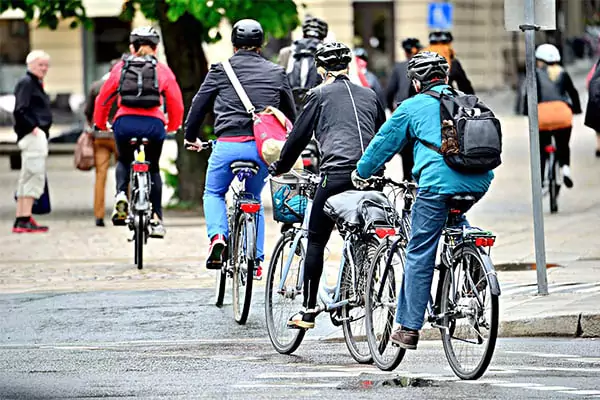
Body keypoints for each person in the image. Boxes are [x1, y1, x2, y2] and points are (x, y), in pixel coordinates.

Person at [352, 52, 493, 349]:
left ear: (416, 83)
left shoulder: (412, 106)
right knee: (454, 217)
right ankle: (471, 261)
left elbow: (382, 144)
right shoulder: (467, 100)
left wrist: (361, 173)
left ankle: (409, 328)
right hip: (479, 180)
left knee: (420, 250)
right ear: (444, 78)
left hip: (437, 185)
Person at [269, 42, 386, 329]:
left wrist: (280, 167)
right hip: (372, 176)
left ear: (321, 69)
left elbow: (297, 138)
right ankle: (364, 281)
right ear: (347, 67)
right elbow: (382, 135)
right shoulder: (369, 95)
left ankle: (308, 311)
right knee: (362, 228)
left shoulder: (318, 94)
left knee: (317, 239)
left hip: (336, 174)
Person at [184, 19, 296, 280]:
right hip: (262, 149)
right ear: (261, 45)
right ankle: (255, 261)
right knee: (253, 198)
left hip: (227, 147)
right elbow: (291, 115)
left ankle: (218, 238)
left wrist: (191, 137)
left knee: (213, 192)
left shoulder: (220, 70)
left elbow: (198, 108)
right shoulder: (276, 72)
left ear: (233, 45)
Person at [94, 27, 184, 238]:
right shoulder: (162, 70)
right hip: (153, 125)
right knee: (153, 169)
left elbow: (103, 98)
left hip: (124, 124)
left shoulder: (121, 68)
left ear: (132, 47)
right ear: (156, 47)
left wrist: (100, 123)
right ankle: (156, 219)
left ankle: (120, 195)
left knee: (125, 161)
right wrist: (172, 125)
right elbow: (176, 102)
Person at [530, 44, 581, 188]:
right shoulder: (563, 73)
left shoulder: (535, 74)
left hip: (542, 116)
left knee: (541, 148)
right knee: (563, 145)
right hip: (562, 115)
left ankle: (540, 180)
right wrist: (576, 109)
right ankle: (565, 170)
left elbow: (529, 96)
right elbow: (573, 93)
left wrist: (525, 112)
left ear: (541, 60)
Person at [12, 50, 52, 234]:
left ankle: (22, 218)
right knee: (34, 176)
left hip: (33, 134)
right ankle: (24, 218)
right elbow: (20, 109)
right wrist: (33, 127)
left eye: (46, 65)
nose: (44, 68)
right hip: (33, 135)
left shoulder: (32, 83)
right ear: (31, 65)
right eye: (40, 65)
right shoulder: (27, 83)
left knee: (27, 176)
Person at [84, 59, 120, 227]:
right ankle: (124, 210)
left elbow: (88, 111)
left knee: (101, 175)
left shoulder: (96, 86)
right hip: (121, 135)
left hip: (100, 135)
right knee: (125, 171)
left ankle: (98, 216)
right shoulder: (127, 85)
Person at [385, 38, 424, 181]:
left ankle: (407, 179)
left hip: (404, 114)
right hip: (423, 114)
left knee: (406, 150)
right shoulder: (426, 66)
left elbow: (389, 92)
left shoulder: (399, 67)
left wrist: (392, 109)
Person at [278, 16, 328, 113]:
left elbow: (279, 81)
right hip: (317, 107)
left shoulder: (287, 52)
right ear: (323, 36)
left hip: (291, 107)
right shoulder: (327, 53)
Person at [584, 58, 600, 157]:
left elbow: (589, 83)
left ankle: (599, 146)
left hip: (597, 103)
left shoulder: (596, 67)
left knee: (598, 129)